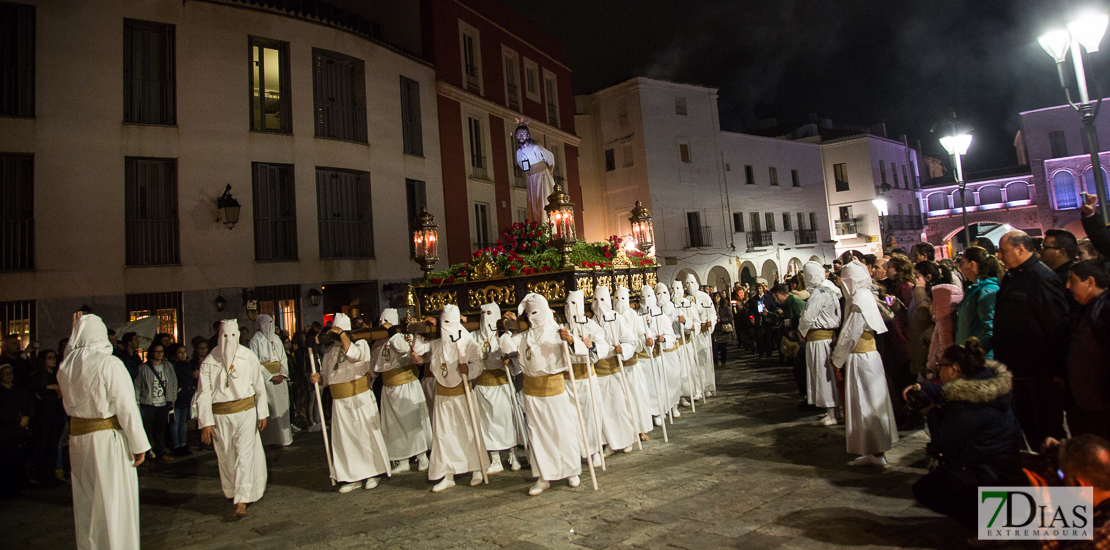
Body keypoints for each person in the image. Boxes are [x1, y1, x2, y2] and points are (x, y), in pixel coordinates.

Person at [907, 338, 1023, 530]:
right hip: (1005, 464)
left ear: (953, 369)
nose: (938, 370)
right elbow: (948, 390)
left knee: (926, 489)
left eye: (940, 366)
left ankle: (990, 525)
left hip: (989, 472)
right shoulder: (985, 383)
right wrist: (923, 387)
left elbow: (943, 442)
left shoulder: (967, 405)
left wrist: (932, 412)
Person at [57, 314, 150, 548]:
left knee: (87, 502)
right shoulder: (108, 363)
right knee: (115, 501)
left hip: (78, 441)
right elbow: (126, 406)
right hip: (107, 440)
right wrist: (139, 445)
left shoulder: (66, 366)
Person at [501, 293, 584, 496]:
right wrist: (506, 327)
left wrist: (571, 340)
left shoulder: (558, 331)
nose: (534, 317)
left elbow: (581, 352)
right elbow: (506, 347)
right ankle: (543, 476)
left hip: (555, 391)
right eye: (530, 313)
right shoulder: (523, 336)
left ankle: (571, 471)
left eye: (536, 312)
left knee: (562, 431)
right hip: (532, 393)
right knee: (537, 435)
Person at [995, 230, 1071, 448]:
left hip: (1040, 373)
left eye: (1003, 251)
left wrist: (1056, 369)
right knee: (1030, 428)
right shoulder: (1012, 277)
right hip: (1018, 372)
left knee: (1049, 432)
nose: (1000, 256)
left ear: (1021, 248)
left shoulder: (1041, 277)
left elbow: (1057, 324)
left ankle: (1059, 477)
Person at [309, 313, 391, 493]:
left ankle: (372, 473)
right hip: (340, 402)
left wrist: (343, 336)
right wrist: (319, 379)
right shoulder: (330, 352)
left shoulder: (360, 344)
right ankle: (352, 475)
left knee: (363, 437)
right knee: (346, 441)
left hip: (358, 397)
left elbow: (353, 356)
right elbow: (327, 377)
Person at [196, 320, 269, 517]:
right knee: (226, 455)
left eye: (233, 336)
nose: (229, 341)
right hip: (220, 416)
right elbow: (203, 393)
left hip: (245, 412)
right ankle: (232, 491)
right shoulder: (210, 361)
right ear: (219, 336)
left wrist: (262, 412)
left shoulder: (248, 357)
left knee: (244, 454)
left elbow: (259, 385)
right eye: (225, 336)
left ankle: (242, 499)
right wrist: (206, 422)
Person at [832, 261, 899, 466]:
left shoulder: (860, 299)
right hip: (867, 358)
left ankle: (876, 452)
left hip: (862, 359)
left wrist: (837, 358)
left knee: (867, 404)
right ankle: (872, 449)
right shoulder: (864, 296)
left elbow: (850, 333)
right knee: (868, 403)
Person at [421, 305, 486, 492]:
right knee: (444, 435)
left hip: (462, 394)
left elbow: (478, 365)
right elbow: (419, 350)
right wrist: (423, 329)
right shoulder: (437, 344)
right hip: (442, 396)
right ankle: (447, 474)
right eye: (444, 323)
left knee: (468, 431)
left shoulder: (468, 343)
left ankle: (477, 469)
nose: (446, 327)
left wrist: (469, 369)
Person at [373, 308, 432, 474]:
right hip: (389, 388)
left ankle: (422, 457)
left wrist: (392, 332)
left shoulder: (405, 338)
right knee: (393, 427)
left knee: (413, 422)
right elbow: (374, 366)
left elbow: (403, 349)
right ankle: (402, 459)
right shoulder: (378, 343)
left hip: (407, 387)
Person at [1028, 435, 1110, 550]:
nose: (1060, 478)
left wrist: (1043, 505)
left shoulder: (1102, 535)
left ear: (1078, 486)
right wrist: (1064, 450)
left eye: (1062, 475)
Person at [470, 302, 524, 473]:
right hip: (483, 385)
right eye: (483, 314)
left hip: (502, 383)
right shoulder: (475, 336)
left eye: (490, 313)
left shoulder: (504, 335)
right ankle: (495, 459)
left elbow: (517, 355)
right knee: (487, 424)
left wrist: (509, 360)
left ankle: (513, 455)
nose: (486, 317)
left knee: (507, 421)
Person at [1064, 260, 1110, 441]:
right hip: (1083, 403)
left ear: (1090, 282)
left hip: (1101, 407)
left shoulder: (1104, 311)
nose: (1068, 286)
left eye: (1073, 280)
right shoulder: (1087, 308)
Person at [562, 290, 610, 462]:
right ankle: (577, 452)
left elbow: (603, 347)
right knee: (572, 418)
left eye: (574, 304)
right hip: (567, 381)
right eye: (567, 305)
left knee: (591, 415)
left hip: (586, 378)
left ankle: (594, 450)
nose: (570, 309)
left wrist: (592, 346)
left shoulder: (592, 327)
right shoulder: (562, 328)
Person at [591, 285, 639, 454]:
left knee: (618, 407)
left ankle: (626, 439)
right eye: (596, 300)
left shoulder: (616, 318)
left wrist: (623, 349)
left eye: (602, 299)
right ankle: (609, 442)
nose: (599, 303)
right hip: (597, 372)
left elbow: (631, 341)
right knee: (603, 410)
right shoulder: (590, 321)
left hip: (614, 369)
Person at [799, 261, 842, 425]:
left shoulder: (819, 293)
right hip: (826, 338)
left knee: (823, 375)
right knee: (828, 375)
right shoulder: (829, 290)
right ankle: (833, 410)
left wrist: (801, 332)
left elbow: (808, 317)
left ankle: (831, 412)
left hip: (819, 341)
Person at [614, 286, 655, 439]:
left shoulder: (634, 316)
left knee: (636, 396)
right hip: (617, 365)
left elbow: (642, 332)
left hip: (631, 365)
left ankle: (639, 428)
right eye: (616, 298)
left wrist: (647, 340)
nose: (619, 302)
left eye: (622, 298)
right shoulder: (611, 316)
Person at [249, 314, 293, 449]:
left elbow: (283, 358)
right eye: (266, 323)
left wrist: (282, 373)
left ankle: (284, 438)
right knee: (271, 409)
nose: (269, 327)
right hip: (267, 380)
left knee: (282, 408)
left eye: (271, 323)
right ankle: (269, 439)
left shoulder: (276, 339)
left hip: (279, 377)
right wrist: (270, 376)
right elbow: (255, 362)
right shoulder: (255, 341)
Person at [27, 349, 66, 486]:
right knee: (43, 445)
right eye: (50, 358)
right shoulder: (36, 376)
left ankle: (51, 474)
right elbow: (35, 393)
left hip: (56, 414)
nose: (53, 360)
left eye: (54, 357)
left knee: (53, 446)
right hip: (43, 416)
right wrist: (50, 388)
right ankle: (42, 475)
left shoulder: (57, 374)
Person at [954, 247, 1002, 359]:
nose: (960, 266)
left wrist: (973, 353)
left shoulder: (987, 291)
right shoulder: (975, 289)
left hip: (980, 361)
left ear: (972, 264)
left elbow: (990, 330)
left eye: (962, 262)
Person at [134, 342, 178, 462]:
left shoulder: (168, 366)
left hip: (163, 402)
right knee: (147, 429)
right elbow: (137, 385)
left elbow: (173, 382)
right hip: (148, 402)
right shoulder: (143, 368)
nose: (159, 354)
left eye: (161, 351)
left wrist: (172, 398)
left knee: (160, 429)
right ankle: (147, 453)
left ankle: (160, 452)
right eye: (157, 351)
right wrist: (137, 402)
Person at [0, 363, 33, 498]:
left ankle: (16, 486)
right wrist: (16, 420)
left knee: (18, 460)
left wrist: (26, 418)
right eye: (5, 374)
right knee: (5, 462)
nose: (9, 376)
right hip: (5, 432)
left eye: (11, 373)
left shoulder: (19, 389)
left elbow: (29, 404)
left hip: (20, 432)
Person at [513, 123, 557, 223]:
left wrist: (546, 173)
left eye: (523, 134)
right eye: (518, 134)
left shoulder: (536, 147)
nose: (520, 136)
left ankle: (546, 223)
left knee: (543, 201)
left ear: (528, 135)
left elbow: (550, 158)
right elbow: (521, 165)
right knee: (534, 203)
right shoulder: (519, 152)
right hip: (531, 178)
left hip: (541, 176)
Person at [684, 274, 717, 395]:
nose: (690, 286)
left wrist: (711, 323)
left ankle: (706, 386)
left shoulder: (705, 297)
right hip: (693, 336)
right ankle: (698, 389)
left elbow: (712, 314)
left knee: (705, 360)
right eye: (687, 283)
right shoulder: (685, 301)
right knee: (694, 361)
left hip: (703, 334)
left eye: (692, 282)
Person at [166, 343, 195, 456]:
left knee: (183, 422)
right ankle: (176, 445)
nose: (183, 354)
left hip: (186, 396)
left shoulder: (188, 365)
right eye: (180, 352)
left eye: (184, 352)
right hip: (176, 397)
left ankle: (183, 444)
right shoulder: (173, 366)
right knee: (175, 422)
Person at [711, 291, 735, 367]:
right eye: (715, 297)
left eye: (718, 297)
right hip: (715, 330)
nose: (716, 298)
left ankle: (723, 361)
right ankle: (715, 362)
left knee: (723, 348)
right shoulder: (712, 306)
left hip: (723, 330)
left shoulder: (725, 307)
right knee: (714, 347)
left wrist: (721, 320)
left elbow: (730, 317)